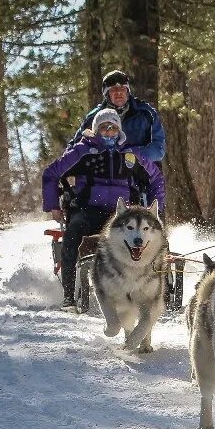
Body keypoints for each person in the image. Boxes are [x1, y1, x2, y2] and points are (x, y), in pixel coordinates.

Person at [43, 109, 166, 309]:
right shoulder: (82, 151)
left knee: (148, 236)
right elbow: (51, 173)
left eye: (113, 127)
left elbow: (156, 178)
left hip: (123, 214)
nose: (109, 131)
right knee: (73, 230)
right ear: (96, 130)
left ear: (119, 130)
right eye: (104, 127)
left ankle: (152, 289)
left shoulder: (130, 153)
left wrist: (156, 210)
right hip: (88, 210)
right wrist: (53, 206)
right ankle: (68, 294)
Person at [71, 70, 166, 163]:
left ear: (128, 92)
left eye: (122, 89)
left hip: (142, 172)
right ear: (107, 94)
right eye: (113, 90)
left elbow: (158, 149)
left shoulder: (146, 113)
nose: (118, 93)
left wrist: (132, 155)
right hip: (104, 172)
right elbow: (75, 146)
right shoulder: (93, 117)